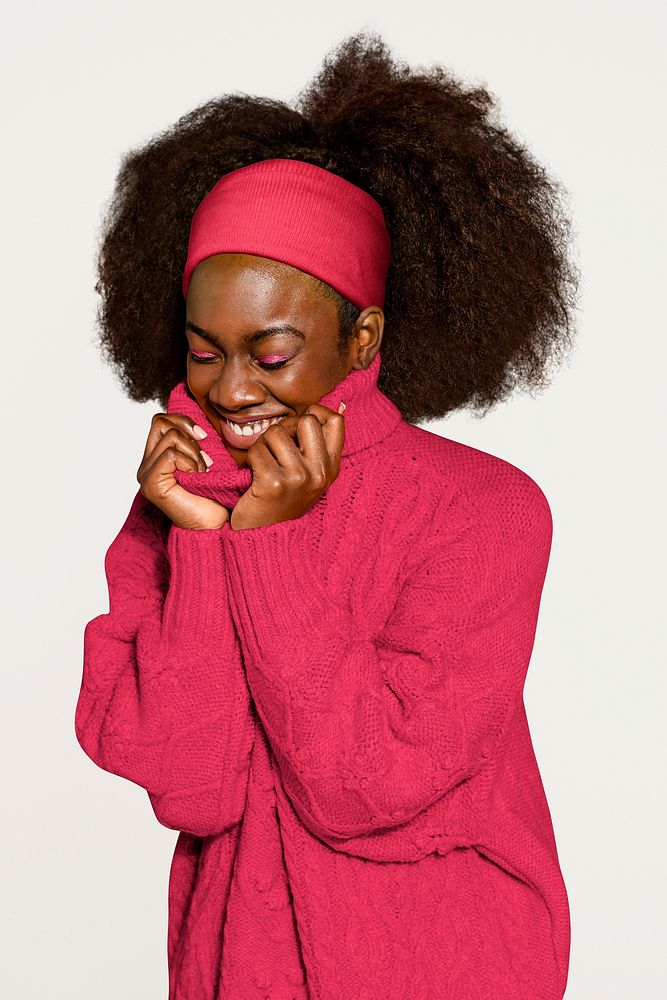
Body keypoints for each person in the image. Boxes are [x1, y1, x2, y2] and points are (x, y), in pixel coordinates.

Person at [74, 30, 578, 1000]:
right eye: (204, 349)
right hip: (237, 965)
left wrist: (266, 546)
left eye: (270, 353)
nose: (227, 390)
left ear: (362, 336)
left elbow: (362, 786)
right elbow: (192, 784)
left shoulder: (482, 509)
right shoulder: (177, 507)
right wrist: (202, 537)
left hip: (439, 961)